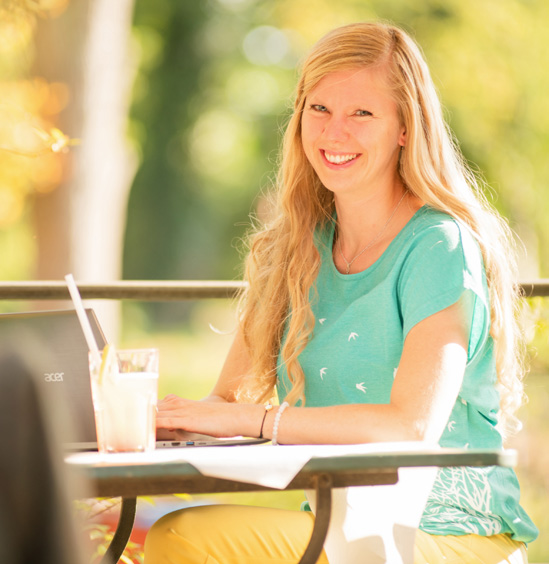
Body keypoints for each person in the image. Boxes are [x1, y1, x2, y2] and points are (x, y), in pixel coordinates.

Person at [144, 21, 538, 563]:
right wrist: (157, 422)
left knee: (182, 538)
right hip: (340, 521)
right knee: (165, 530)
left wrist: (255, 421)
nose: (334, 132)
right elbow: (227, 402)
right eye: (320, 109)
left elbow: (411, 425)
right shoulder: (295, 249)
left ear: (406, 127)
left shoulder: (438, 246)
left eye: (362, 114)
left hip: (448, 536)